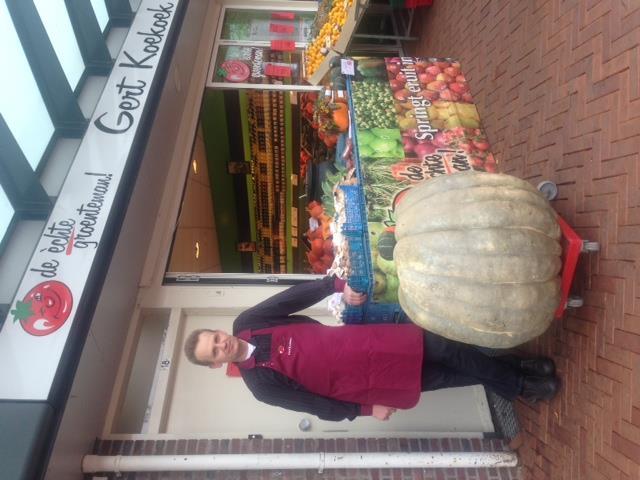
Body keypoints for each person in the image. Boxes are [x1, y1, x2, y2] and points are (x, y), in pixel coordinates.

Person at [183, 276, 559, 421]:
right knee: (450, 375)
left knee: (447, 348)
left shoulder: (250, 322)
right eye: (214, 352)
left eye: (215, 339)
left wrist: (335, 286)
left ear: (219, 330)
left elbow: (290, 298)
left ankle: (520, 385)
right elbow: (316, 406)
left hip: (368, 342)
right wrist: (365, 409)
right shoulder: (261, 388)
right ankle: (518, 368)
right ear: (217, 365)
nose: (222, 345)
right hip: (365, 383)